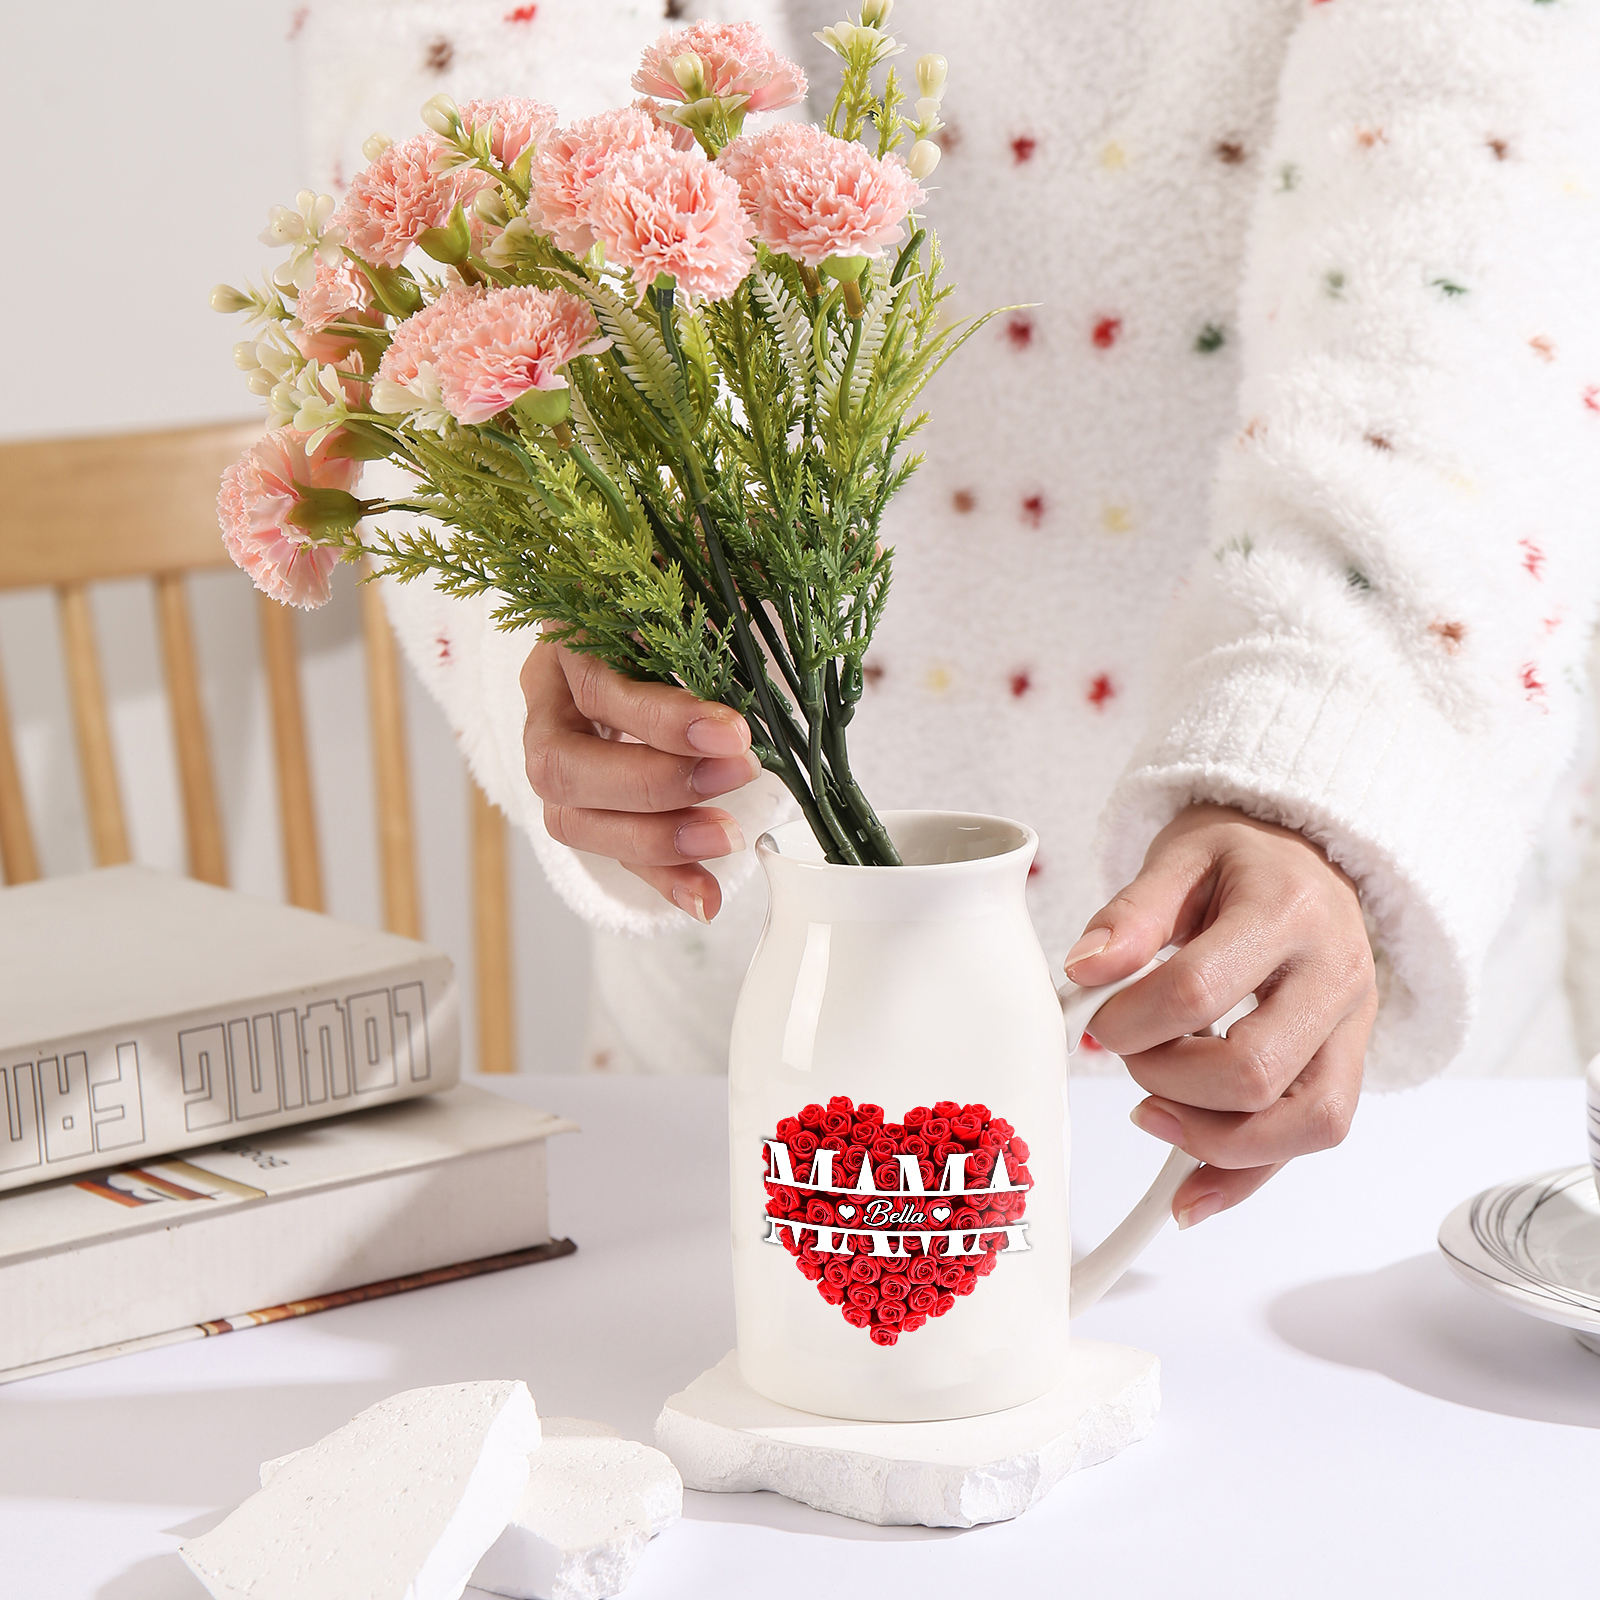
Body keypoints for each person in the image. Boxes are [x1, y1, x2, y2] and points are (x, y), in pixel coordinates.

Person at [298, 0, 1600, 1227]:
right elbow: (458, 85)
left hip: (1334, 1029)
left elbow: (1482, 200)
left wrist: (1323, 749)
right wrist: (600, 560)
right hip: (746, 993)